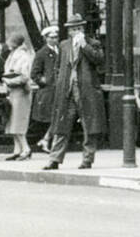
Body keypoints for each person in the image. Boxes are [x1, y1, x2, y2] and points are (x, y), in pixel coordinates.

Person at [43, 15, 107, 170]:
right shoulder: (64, 45)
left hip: (86, 91)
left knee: (89, 126)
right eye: (72, 29)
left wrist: (84, 46)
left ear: (83, 29)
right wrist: (60, 83)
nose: (75, 31)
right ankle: (54, 159)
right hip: (67, 91)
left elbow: (99, 60)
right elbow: (58, 67)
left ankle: (87, 160)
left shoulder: (93, 43)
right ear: (69, 31)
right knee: (61, 125)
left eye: (78, 28)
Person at [1, 33, 34, 160]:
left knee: (18, 122)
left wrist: (9, 81)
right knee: (13, 121)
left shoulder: (22, 56)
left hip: (20, 92)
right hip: (13, 92)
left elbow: (24, 76)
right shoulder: (13, 54)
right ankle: (18, 149)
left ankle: (26, 149)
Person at [29, 24, 61, 151]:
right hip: (48, 91)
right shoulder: (42, 53)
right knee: (54, 117)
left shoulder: (60, 50)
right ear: (46, 38)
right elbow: (34, 73)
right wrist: (44, 81)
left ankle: (46, 140)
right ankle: (46, 140)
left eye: (56, 37)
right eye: (51, 37)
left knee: (57, 116)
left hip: (59, 89)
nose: (54, 40)